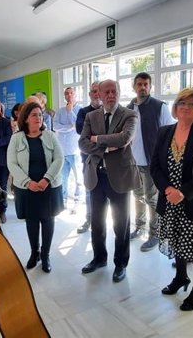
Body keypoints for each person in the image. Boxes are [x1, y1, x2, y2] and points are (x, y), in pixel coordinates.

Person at [150, 87, 193, 311]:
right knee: (177, 242)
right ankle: (180, 278)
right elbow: (155, 166)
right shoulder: (164, 131)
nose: (185, 107)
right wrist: (167, 189)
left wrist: (183, 192)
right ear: (175, 107)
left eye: (191, 104)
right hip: (169, 199)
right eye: (181, 103)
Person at [78, 79, 140, 283]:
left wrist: (96, 139)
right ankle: (99, 258)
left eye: (115, 91)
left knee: (121, 224)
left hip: (120, 177)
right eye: (107, 92)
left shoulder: (129, 114)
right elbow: (82, 143)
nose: (111, 95)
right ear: (99, 95)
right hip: (96, 176)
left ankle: (120, 263)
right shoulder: (90, 116)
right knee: (97, 222)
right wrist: (106, 145)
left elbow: (124, 139)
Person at [7, 102, 64, 273]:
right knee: (31, 222)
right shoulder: (16, 138)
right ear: (25, 118)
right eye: (34, 115)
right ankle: (35, 253)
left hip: (49, 187)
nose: (38, 118)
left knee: (48, 221)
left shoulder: (50, 136)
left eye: (40, 115)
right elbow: (12, 163)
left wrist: (46, 179)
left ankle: (45, 256)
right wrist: (27, 182)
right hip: (26, 189)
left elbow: (59, 159)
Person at [127, 72, 176, 251]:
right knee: (137, 196)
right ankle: (139, 227)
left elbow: (170, 134)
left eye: (146, 84)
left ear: (150, 86)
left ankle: (155, 234)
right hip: (133, 162)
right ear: (134, 86)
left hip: (151, 163)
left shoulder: (159, 107)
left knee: (151, 199)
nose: (142, 87)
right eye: (139, 84)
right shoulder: (129, 107)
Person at [75, 82, 101, 234]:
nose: (96, 94)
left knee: (108, 193)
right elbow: (80, 131)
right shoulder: (83, 112)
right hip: (88, 160)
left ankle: (102, 222)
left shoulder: (109, 111)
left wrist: (93, 136)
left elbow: (115, 134)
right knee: (89, 191)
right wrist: (102, 138)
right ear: (89, 94)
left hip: (108, 160)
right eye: (93, 91)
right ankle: (89, 220)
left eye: (98, 91)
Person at [54, 86, 83, 208]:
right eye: (67, 93)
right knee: (63, 177)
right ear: (64, 96)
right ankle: (64, 198)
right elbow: (55, 126)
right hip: (62, 150)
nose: (69, 95)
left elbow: (78, 127)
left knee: (78, 177)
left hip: (75, 150)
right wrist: (68, 128)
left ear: (75, 95)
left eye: (71, 93)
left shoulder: (80, 110)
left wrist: (70, 111)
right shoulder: (60, 111)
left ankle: (77, 197)